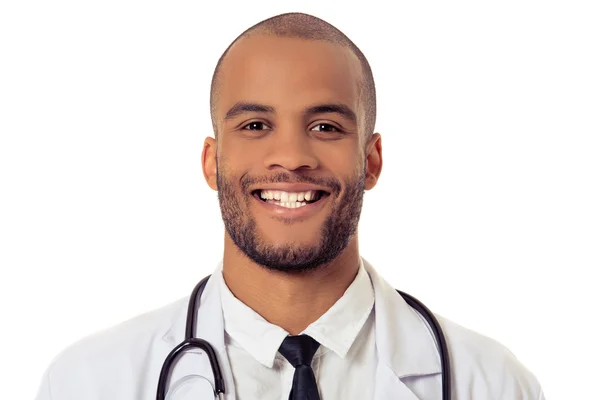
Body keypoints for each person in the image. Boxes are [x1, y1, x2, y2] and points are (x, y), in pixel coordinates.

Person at [34, 12, 545, 400]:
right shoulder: (89, 382)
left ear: (371, 160)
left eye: (325, 127)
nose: (292, 159)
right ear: (212, 162)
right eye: (255, 126)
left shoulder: (493, 383)